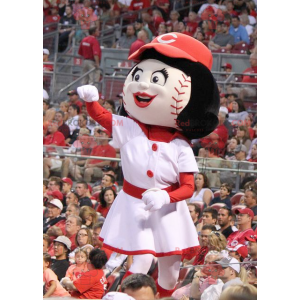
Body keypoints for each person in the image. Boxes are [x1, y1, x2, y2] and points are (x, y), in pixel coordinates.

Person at [78, 32, 220, 296]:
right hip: (135, 204)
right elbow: (103, 117)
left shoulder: (180, 145)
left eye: (156, 79)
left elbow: (188, 187)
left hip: (168, 211)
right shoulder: (129, 127)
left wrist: (165, 197)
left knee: (170, 270)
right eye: (140, 75)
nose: (144, 86)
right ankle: (123, 296)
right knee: (142, 260)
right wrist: (90, 102)